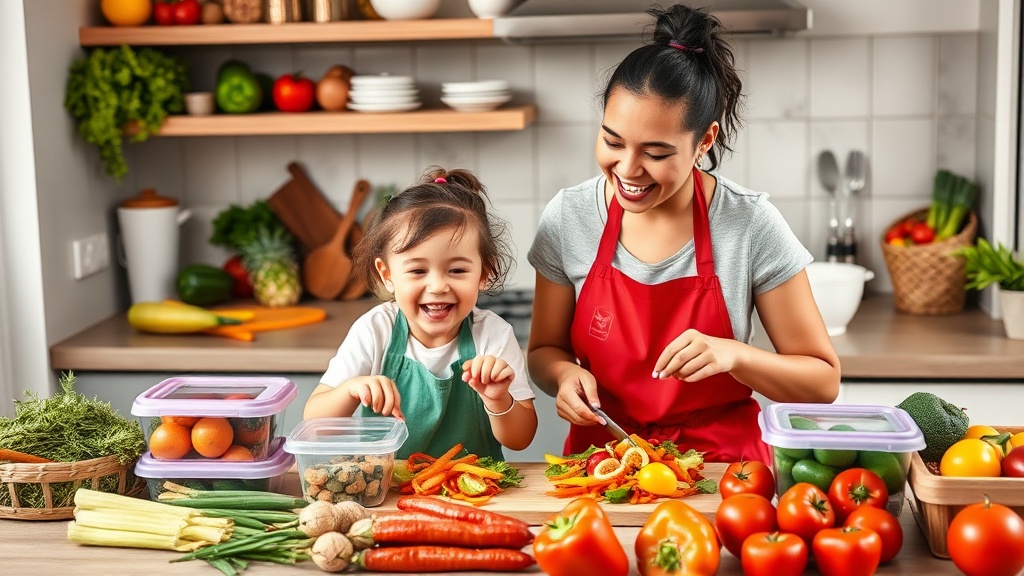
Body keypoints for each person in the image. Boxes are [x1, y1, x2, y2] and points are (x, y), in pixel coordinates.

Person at [526, 5, 841, 464]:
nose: (628, 169)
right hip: (603, 465)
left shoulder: (750, 224)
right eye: (613, 142)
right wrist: (560, 375)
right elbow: (543, 350)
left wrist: (735, 355)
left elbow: (822, 383)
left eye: (655, 152)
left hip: (723, 472)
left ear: (705, 141)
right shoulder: (569, 217)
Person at [304, 167, 538, 460]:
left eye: (457, 270)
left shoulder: (493, 335)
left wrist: (498, 399)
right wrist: (351, 389)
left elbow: (521, 439)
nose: (438, 286)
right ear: (387, 274)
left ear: (483, 273)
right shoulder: (376, 330)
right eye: (417, 270)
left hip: (472, 495)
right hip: (388, 497)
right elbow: (314, 425)